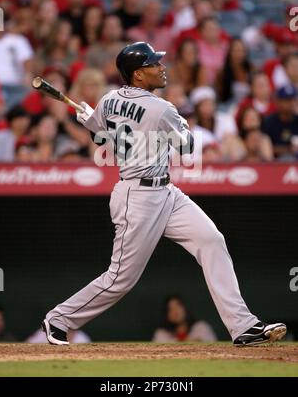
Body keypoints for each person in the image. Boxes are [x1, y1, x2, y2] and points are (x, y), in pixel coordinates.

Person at [42, 41, 286, 346]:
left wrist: (90, 119)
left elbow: (101, 134)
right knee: (120, 280)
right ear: (138, 75)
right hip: (138, 198)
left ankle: (243, 326)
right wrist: (183, 123)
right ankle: (59, 319)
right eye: (153, 64)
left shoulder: (108, 100)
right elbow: (187, 147)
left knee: (211, 241)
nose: (161, 67)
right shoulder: (161, 108)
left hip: (166, 192)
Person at [152, 295, 217, 343]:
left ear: (185, 308)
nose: (175, 311)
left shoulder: (201, 327)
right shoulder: (161, 333)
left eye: (178, 306)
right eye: (170, 309)